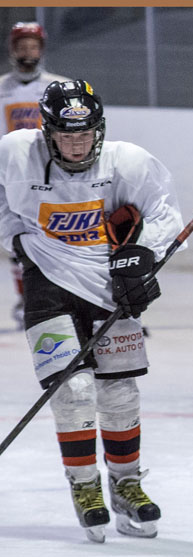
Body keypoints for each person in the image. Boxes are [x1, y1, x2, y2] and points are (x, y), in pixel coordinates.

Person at [0, 80, 183, 543]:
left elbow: (164, 212)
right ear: (47, 131)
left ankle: (127, 486)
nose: (77, 144)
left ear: (99, 130)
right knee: (72, 390)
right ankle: (85, 488)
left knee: (120, 390)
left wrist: (139, 259)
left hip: (107, 285)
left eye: (85, 134)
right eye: (65, 135)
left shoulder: (129, 161)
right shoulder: (15, 152)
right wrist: (16, 239)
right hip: (46, 280)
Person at [0, 22, 69, 329]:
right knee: (18, 238)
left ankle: (61, 292)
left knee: (56, 234)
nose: (27, 52)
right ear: (12, 50)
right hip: (10, 175)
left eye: (32, 46)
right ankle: (27, 299)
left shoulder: (59, 87)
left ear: (41, 50)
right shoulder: (2, 89)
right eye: (21, 46)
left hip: (49, 174)